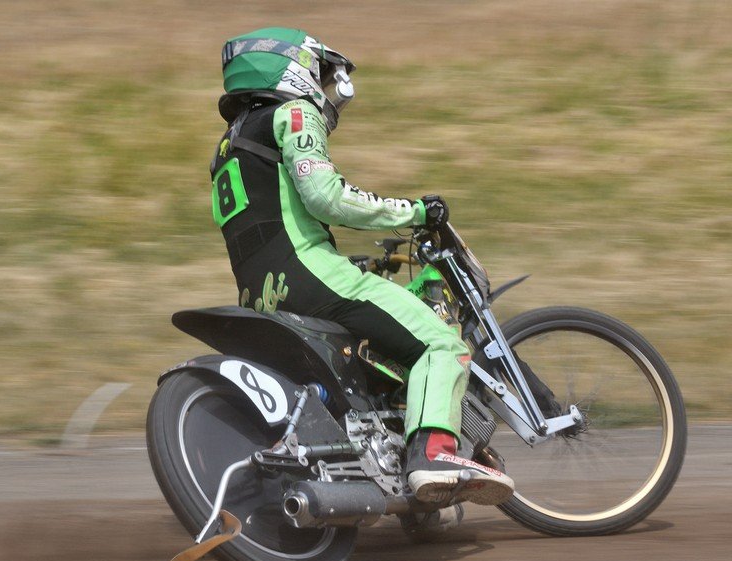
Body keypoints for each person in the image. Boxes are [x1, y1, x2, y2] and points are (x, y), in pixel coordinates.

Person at [209, 27, 514, 506]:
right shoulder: (293, 112)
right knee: (441, 342)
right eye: (318, 71)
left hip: (262, 297)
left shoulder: (228, 147)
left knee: (378, 367)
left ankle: (403, 489)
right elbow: (324, 198)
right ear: (291, 67)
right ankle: (433, 454)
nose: (324, 87)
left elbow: (273, 222)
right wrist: (414, 212)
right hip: (311, 274)